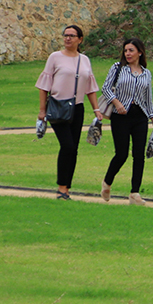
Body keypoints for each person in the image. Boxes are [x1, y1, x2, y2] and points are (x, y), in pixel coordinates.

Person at [35, 25, 104, 199]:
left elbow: (90, 87)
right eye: (65, 35)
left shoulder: (85, 60)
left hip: (77, 108)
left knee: (74, 149)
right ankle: (61, 187)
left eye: (72, 36)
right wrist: (42, 110)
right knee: (67, 146)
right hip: (58, 107)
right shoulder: (55, 57)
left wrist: (96, 109)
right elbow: (44, 85)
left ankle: (66, 187)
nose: (68, 39)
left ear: (80, 39)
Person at [100, 38, 153, 206]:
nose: (128, 53)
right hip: (121, 116)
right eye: (126, 50)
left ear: (140, 52)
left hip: (139, 116)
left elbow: (148, 99)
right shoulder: (118, 68)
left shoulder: (146, 73)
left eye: (131, 50)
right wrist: (117, 103)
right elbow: (105, 88)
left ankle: (135, 193)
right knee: (121, 154)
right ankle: (107, 182)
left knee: (139, 155)